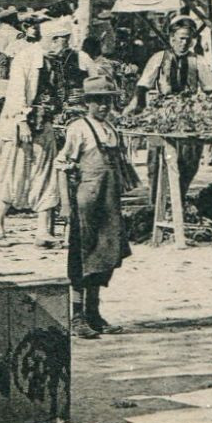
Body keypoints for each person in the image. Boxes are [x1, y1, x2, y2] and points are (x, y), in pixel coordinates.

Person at [58, 75, 136, 340]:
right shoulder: (78, 128)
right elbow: (62, 167)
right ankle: (77, 316)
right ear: (87, 102)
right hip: (86, 201)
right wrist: (66, 205)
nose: (103, 106)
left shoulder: (111, 129)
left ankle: (94, 313)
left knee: (105, 255)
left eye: (108, 101)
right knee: (83, 256)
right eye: (98, 101)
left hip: (108, 202)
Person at [0, 17, 83, 242]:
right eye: (64, 41)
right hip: (20, 125)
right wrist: (22, 120)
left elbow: (59, 91)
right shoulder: (25, 58)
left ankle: (43, 230)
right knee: (15, 173)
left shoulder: (57, 61)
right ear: (53, 40)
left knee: (45, 174)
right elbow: (16, 92)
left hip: (45, 123)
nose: (66, 46)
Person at [131, 15, 212, 208]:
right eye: (180, 38)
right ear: (171, 38)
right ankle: (155, 205)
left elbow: (210, 90)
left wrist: (207, 112)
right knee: (157, 162)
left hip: (189, 115)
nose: (184, 43)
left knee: (188, 162)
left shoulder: (198, 61)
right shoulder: (158, 58)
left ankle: (178, 201)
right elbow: (143, 86)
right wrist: (140, 111)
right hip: (162, 114)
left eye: (188, 39)